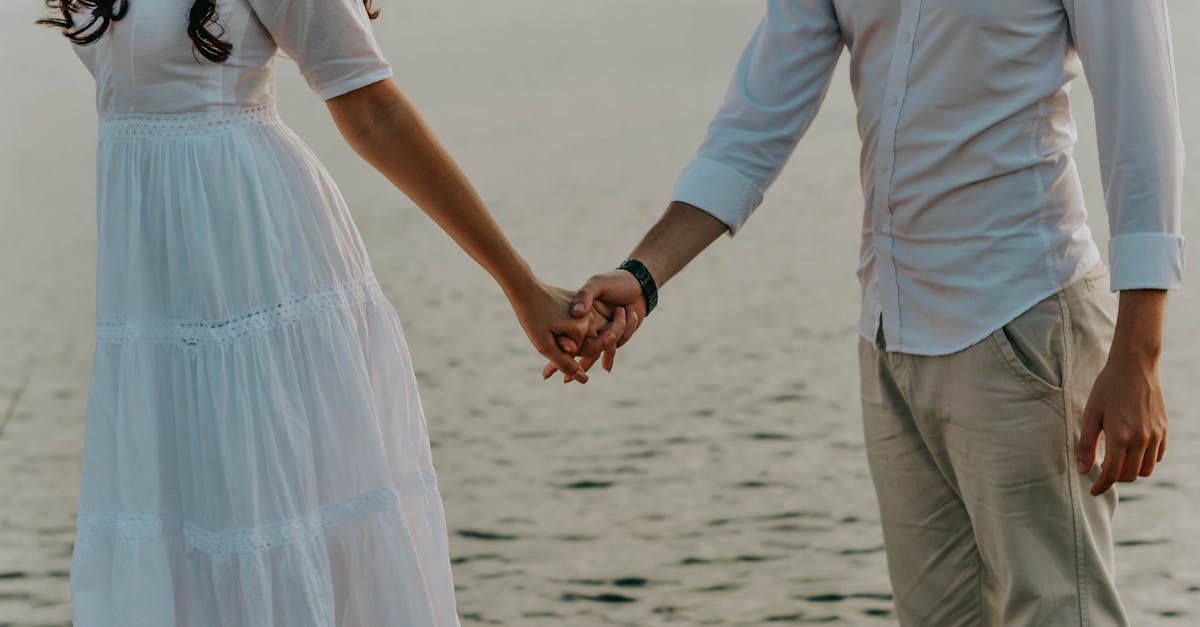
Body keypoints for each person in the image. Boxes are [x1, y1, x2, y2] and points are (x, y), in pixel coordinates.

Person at [549, 1, 1185, 624]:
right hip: (890, 335)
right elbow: (755, 122)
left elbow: (1143, 119)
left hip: (1025, 320)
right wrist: (643, 274)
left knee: (1058, 612)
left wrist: (1139, 353)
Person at [39, 0, 609, 624]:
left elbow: (375, 108)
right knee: (190, 521)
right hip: (157, 284)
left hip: (253, 266)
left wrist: (519, 284)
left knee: (270, 516)